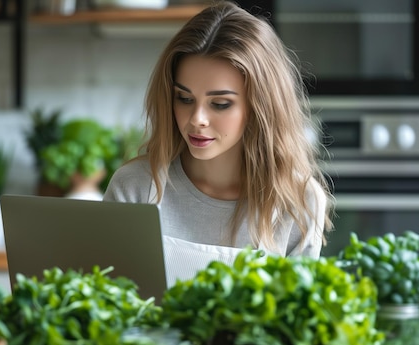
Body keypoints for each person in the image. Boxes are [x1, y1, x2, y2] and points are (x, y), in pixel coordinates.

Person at [103, 0, 333, 285]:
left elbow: (293, 323)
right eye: (185, 99)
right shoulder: (134, 188)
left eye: (220, 104)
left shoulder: (298, 201)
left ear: (259, 106)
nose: (197, 118)